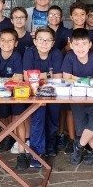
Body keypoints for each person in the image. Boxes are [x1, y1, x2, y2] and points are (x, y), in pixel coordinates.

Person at [20, 27, 64, 168]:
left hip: (53, 93)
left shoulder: (56, 53)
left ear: (53, 43)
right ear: (35, 41)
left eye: (48, 40)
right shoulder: (29, 53)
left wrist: (39, 75)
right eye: (41, 39)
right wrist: (48, 74)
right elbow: (27, 76)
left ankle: (49, 146)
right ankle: (37, 153)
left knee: (52, 120)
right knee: (38, 120)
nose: (44, 43)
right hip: (35, 93)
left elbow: (58, 77)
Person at [62, 28, 93, 166]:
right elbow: (66, 78)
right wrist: (86, 80)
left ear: (90, 44)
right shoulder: (69, 57)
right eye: (77, 44)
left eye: (84, 43)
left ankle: (78, 148)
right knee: (81, 126)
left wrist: (76, 78)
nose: (80, 47)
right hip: (77, 98)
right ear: (71, 44)